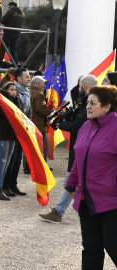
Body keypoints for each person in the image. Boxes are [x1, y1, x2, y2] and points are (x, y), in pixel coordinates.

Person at [64, 85, 117, 269]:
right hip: (86, 200)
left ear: (107, 106)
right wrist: (71, 184)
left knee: (114, 247)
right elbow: (79, 159)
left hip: (111, 202)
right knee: (91, 249)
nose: (87, 106)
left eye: (92, 103)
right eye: (88, 102)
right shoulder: (86, 126)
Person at [39, 75, 97, 223]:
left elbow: (78, 125)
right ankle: (59, 211)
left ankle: (58, 212)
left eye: (79, 87)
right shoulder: (86, 102)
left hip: (82, 148)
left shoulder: (88, 103)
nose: (77, 90)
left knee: (71, 179)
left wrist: (61, 124)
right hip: (82, 147)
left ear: (84, 87)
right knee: (75, 179)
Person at [1, 68, 30, 196]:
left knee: (18, 159)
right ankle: (5, 186)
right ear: (19, 79)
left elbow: (28, 111)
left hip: (23, 130)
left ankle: (13, 184)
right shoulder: (12, 92)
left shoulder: (27, 92)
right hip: (12, 131)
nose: (29, 79)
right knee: (11, 159)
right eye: (27, 77)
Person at [0, 82, 19, 200]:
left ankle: (1, 187)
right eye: (11, 90)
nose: (14, 92)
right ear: (5, 90)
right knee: (1, 162)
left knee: (6, 163)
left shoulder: (15, 100)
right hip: (2, 134)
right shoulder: (0, 100)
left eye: (15, 90)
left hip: (11, 134)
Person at [29, 76, 51, 162]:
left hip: (30, 123)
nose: (44, 86)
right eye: (43, 84)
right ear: (38, 84)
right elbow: (41, 109)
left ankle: (28, 167)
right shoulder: (39, 94)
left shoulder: (30, 92)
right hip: (38, 125)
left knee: (31, 146)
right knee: (43, 147)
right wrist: (51, 113)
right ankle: (43, 166)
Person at [0, 1, 24, 67]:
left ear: (12, 6)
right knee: (13, 51)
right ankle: (15, 65)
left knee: (2, 49)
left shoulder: (11, 12)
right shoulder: (22, 14)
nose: (9, 8)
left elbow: (3, 20)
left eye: (9, 7)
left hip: (8, 33)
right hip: (16, 34)